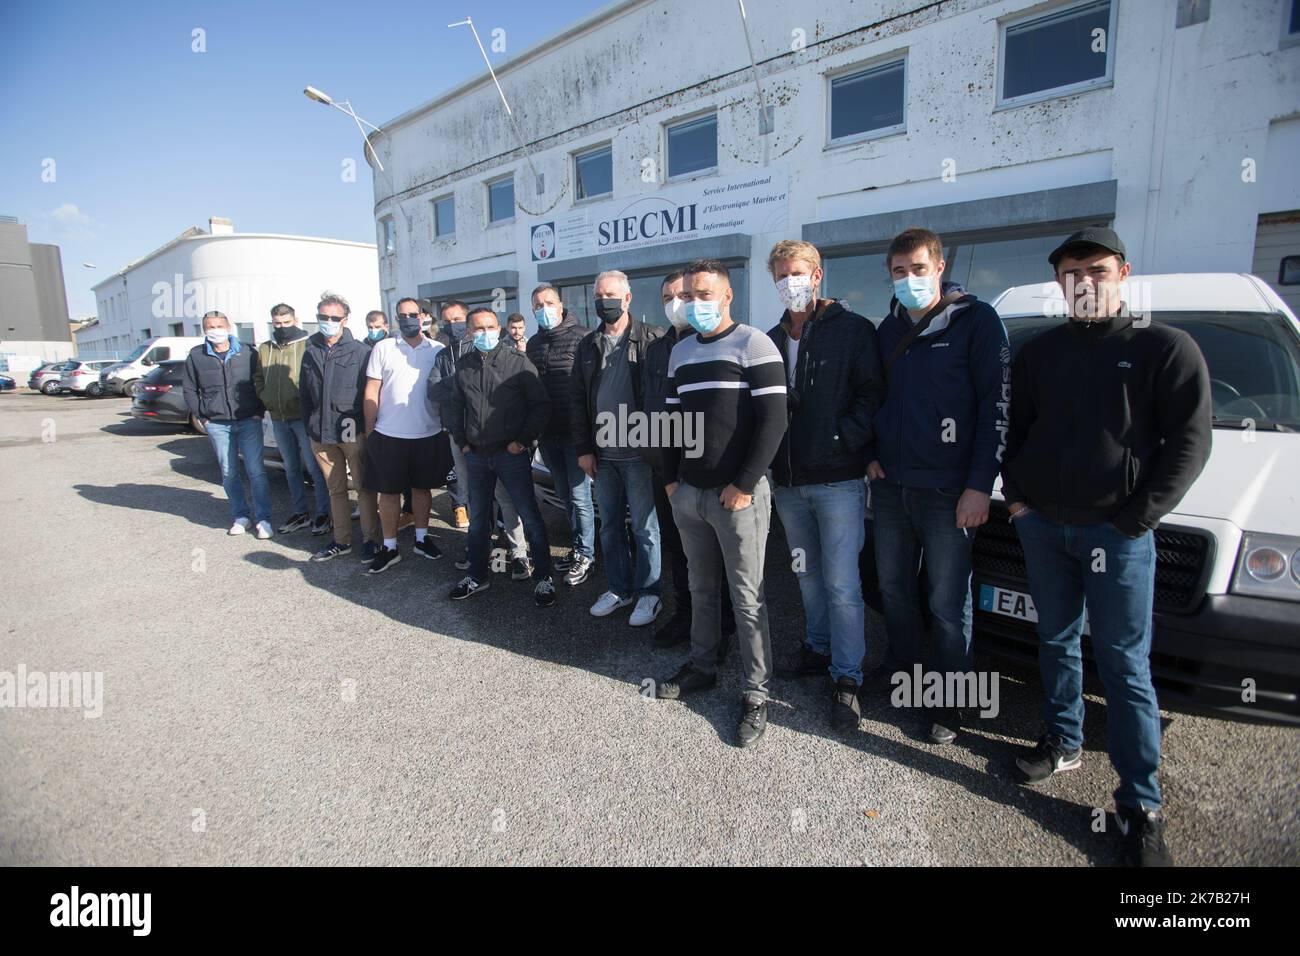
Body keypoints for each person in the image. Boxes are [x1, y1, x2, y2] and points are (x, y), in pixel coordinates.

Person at [1002, 228, 1211, 867]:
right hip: (1044, 527)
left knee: (1124, 664)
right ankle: (1064, 741)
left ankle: (1140, 804)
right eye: (1071, 274)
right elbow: (1018, 429)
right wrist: (1017, 498)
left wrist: (1134, 520)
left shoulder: (1162, 347)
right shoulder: (1040, 353)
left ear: (1122, 272)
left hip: (1116, 536)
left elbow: (1190, 443)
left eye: (1096, 270)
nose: (1084, 283)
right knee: (1056, 640)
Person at [869, 227, 1009, 746]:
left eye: (918, 269)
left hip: (950, 492)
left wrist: (979, 486)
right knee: (893, 589)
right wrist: (870, 457)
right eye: (900, 272)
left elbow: (997, 407)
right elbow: (870, 400)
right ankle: (905, 670)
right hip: (891, 488)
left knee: (948, 603)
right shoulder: (885, 331)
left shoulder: (977, 322)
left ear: (940, 267)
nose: (909, 280)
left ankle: (951, 699)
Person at [655, 259, 787, 749]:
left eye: (703, 295)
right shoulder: (681, 352)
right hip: (690, 496)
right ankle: (702, 665)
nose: (693, 304)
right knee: (701, 588)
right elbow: (668, 422)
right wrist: (672, 485)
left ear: (727, 296)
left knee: (747, 598)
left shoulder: (754, 344)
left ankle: (756, 692)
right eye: (687, 296)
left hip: (739, 498)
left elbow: (773, 422)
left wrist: (746, 483)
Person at [765, 240, 884, 732]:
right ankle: (818, 648)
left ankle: (848, 678)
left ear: (817, 275)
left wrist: (840, 439)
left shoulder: (853, 331)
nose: (790, 283)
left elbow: (872, 395)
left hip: (837, 481)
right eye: (781, 276)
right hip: (789, 483)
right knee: (807, 575)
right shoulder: (771, 338)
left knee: (841, 582)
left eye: (797, 273)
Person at [642, 271, 734, 651]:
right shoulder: (657, 349)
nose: (676, 304)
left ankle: (721, 624)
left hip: (705, 468)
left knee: (715, 551)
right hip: (666, 468)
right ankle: (686, 614)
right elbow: (648, 403)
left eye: (682, 295)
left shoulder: (715, 342)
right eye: (667, 298)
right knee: (678, 548)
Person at [443, 307, 556, 607]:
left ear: (500, 328)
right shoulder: (464, 366)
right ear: (469, 332)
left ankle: (543, 578)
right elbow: (455, 407)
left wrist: (522, 442)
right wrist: (462, 441)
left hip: (511, 455)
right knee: (479, 519)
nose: (485, 333)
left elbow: (541, 406)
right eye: (478, 329)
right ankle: (477, 576)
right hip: (478, 457)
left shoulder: (518, 363)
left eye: (491, 327)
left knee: (530, 516)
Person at [570, 270, 664, 626]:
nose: (603, 302)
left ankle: (650, 594)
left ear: (627, 299)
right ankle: (620, 588)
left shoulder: (651, 339)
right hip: (603, 455)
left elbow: (661, 399)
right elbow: (577, 399)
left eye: (610, 295)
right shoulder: (587, 344)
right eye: (598, 296)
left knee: (644, 527)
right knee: (609, 526)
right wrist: (584, 448)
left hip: (639, 455)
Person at [361, 296, 455, 573]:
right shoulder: (383, 347)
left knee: (422, 490)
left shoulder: (437, 349)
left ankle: (422, 539)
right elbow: (371, 390)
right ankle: (389, 546)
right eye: (402, 315)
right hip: (388, 434)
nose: (408, 319)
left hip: (428, 433)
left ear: (423, 317)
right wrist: (370, 431)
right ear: (396, 318)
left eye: (413, 314)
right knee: (388, 494)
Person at [298, 293, 382, 562]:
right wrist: (308, 425)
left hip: (350, 428)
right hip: (320, 432)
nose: (329, 322)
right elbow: (304, 394)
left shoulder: (361, 351)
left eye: (334, 318)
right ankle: (341, 540)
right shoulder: (310, 351)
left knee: (363, 487)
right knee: (335, 489)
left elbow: (371, 394)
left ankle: (371, 540)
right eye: (323, 317)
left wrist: (367, 430)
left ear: (345, 320)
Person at [526, 283, 596, 586]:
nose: (545, 309)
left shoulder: (583, 337)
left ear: (561, 303)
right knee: (565, 495)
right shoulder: (533, 343)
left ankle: (586, 553)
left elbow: (591, 388)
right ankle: (578, 547)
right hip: (548, 433)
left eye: (549, 302)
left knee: (580, 497)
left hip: (575, 434)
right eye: (538, 305)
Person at [182, 311, 274, 538]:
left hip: (248, 420)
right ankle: (241, 516)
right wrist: (203, 416)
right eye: (210, 327)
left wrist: (258, 411)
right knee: (229, 471)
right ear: (204, 330)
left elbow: (259, 382)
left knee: (256, 471)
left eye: (218, 325)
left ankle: (263, 519)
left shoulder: (247, 352)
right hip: (218, 423)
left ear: (228, 327)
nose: (215, 330)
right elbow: (190, 389)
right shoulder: (196, 356)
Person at [255, 303, 331, 535]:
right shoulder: (265, 348)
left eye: (286, 322)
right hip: (278, 417)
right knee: (290, 468)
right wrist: (265, 396)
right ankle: (300, 513)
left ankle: (323, 514)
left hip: (302, 417)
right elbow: (258, 377)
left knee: (314, 468)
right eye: (277, 323)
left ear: (295, 320)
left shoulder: (308, 345)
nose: (282, 327)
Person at [437, 300, 473, 529]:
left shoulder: (479, 346)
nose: (453, 325)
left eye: (457, 320)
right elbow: (433, 388)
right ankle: (462, 510)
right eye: (448, 321)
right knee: (460, 477)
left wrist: (454, 386)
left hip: (482, 428)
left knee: (490, 484)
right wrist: (462, 385)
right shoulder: (442, 355)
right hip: (454, 427)